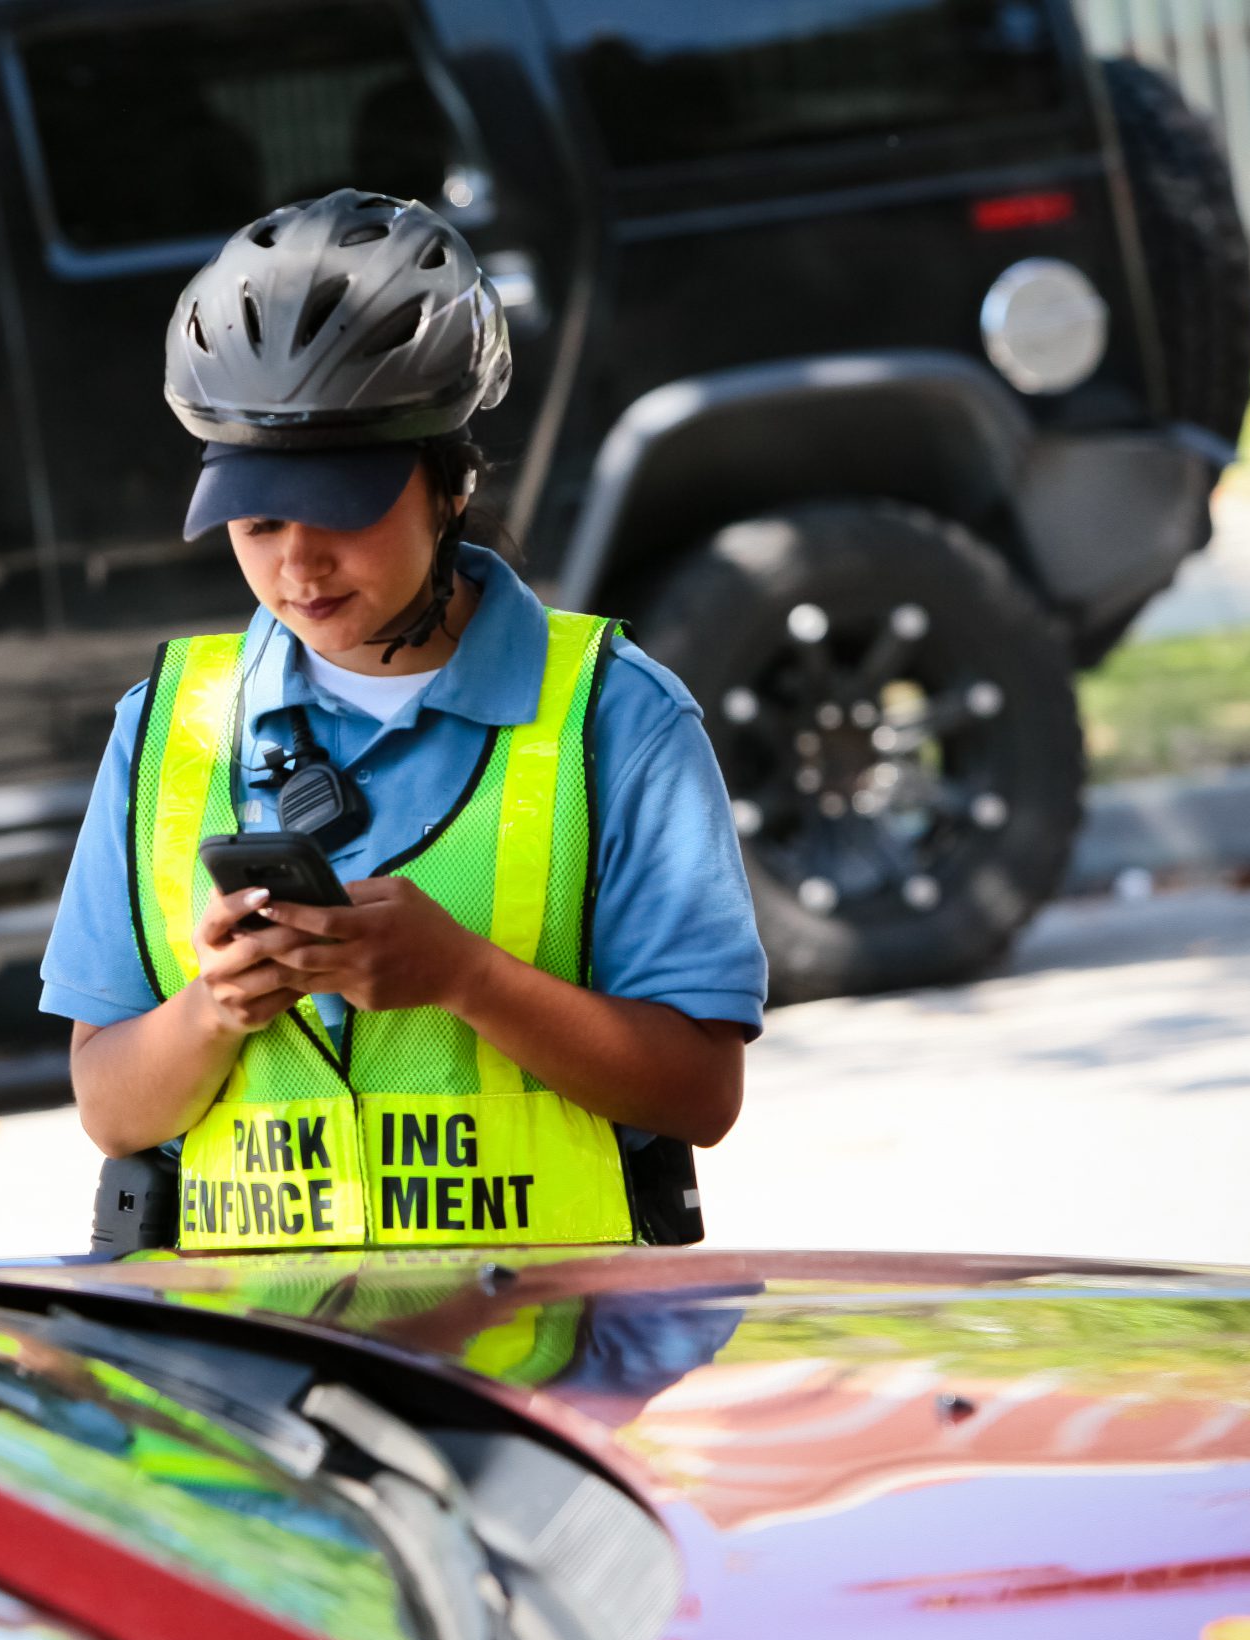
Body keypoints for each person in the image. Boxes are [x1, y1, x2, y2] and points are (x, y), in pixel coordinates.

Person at [40, 190, 765, 1252]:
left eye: (341, 510)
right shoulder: (167, 729)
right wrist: (214, 1011)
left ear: (449, 485)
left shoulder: (616, 717)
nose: (298, 563)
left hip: (539, 1368)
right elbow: (110, 1109)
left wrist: (467, 979)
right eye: (258, 519)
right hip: (253, 1380)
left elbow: (699, 1092)